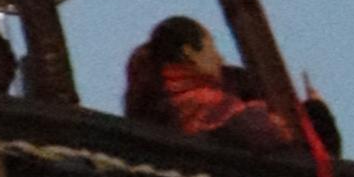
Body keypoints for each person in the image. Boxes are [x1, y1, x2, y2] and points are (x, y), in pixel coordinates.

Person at [120, 13, 305, 161]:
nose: (220, 58)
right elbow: (262, 130)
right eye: (212, 47)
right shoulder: (199, 100)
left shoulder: (157, 98)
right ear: (189, 52)